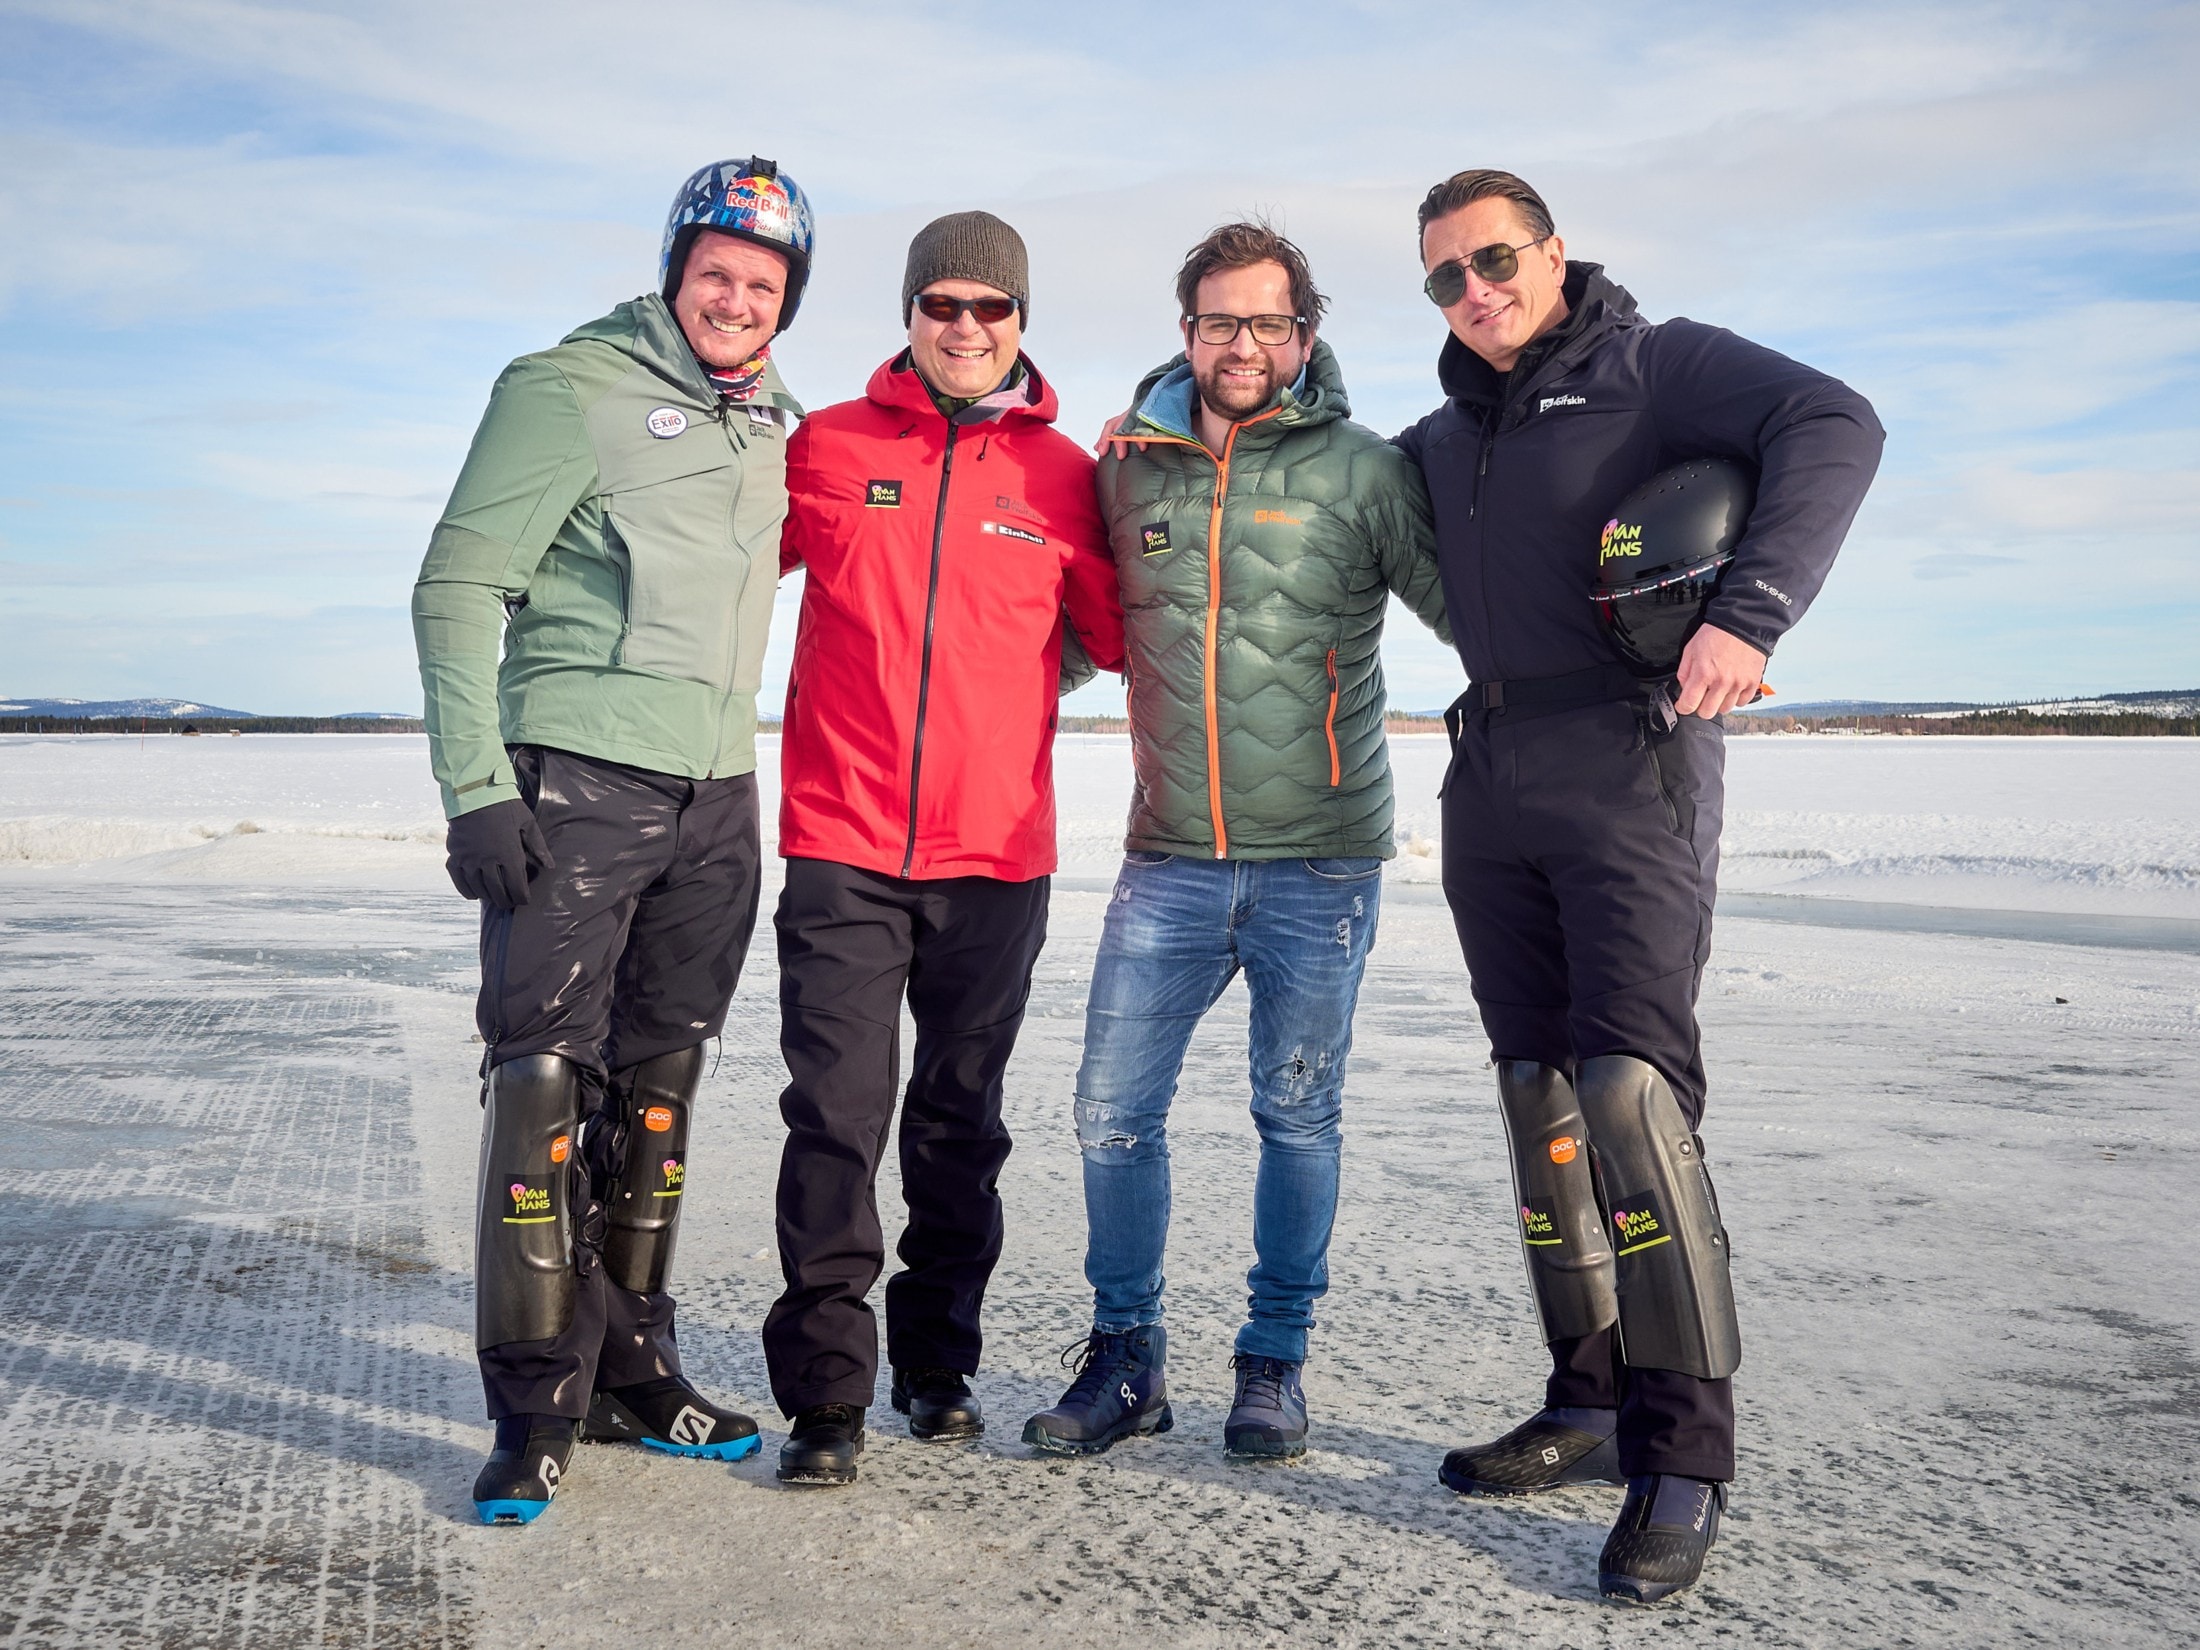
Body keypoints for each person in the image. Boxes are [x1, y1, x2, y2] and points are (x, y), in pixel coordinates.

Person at [1395, 169, 1883, 1603]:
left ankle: (1684, 1455)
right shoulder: (1440, 432)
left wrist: (1752, 610)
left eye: (1495, 259)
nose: (1475, 290)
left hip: (1632, 758)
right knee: (1540, 1095)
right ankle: (1590, 1399)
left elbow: (1834, 420)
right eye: (1444, 276)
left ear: (1551, 252)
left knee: (1634, 1099)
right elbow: (1296, 472)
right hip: (1491, 770)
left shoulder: (1653, 362)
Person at [411, 157, 815, 1525]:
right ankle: (534, 1404)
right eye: (717, 271)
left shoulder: (775, 422)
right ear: (675, 269)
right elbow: (458, 582)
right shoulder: (564, 387)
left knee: (656, 1093)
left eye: (765, 284)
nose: (737, 298)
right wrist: (475, 784)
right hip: (578, 783)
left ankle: (635, 1365)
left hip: (719, 799)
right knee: (542, 1086)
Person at [1023, 221, 1451, 1463]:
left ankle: (1273, 1367)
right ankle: (1125, 1359)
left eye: (1269, 324)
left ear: (1304, 337)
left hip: (1319, 858)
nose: (1244, 345)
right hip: (1167, 858)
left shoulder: (1364, 472)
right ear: (1187, 333)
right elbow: (1074, 634)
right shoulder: (1128, 469)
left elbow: (1469, 607)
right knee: (1110, 1111)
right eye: (1220, 323)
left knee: (1296, 1116)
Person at [764, 212, 1126, 1487]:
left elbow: (1120, 634)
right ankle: (825, 1396)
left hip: (995, 856)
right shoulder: (827, 445)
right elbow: (726, 568)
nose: (966, 329)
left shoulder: (1065, 476)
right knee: (835, 1120)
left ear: (1021, 323)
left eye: (992, 309)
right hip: (842, 841)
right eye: (943, 306)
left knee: (958, 1125)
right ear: (910, 315)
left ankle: (936, 1364)